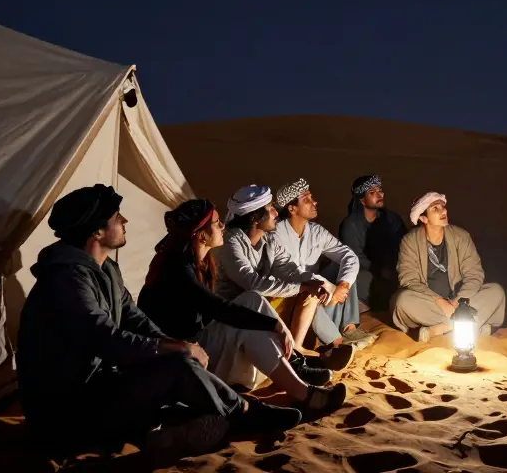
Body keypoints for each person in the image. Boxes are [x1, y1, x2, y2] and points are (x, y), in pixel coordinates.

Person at [16, 184, 299, 458]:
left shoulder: (106, 270)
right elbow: (104, 339)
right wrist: (175, 349)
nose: (125, 220)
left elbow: (134, 318)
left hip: (97, 389)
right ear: (98, 231)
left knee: (176, 362)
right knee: (175, 364)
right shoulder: (66, 279)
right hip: (66, 410)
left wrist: (174, 345)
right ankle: (242, 414)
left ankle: (177, 429)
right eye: (117, 217)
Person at [138, 198, 347, 417]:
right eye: (217, 223)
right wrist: (275, 325)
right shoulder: (180, 269)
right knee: (247, 313)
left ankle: (295, 367)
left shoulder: (199, 261)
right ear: (201, 235)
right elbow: (219, 307)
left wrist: (310, 284)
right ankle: (303, 391)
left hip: (199, 346)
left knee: (252, 300)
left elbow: (284, 269)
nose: (222, 227)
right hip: (185, 360)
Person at [214, 184, 355, 372]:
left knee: (310, 289)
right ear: (255, 217)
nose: (275, 213)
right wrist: (302, 286)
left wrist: (317, 284)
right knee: (262, 296)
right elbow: (252, 284)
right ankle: (301, 358)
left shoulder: (269, 239)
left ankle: (297, 349)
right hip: (238, 311)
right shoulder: (232, 242)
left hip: (265, 306)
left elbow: (290, 269)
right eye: (270, 208)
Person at [390, 192, 506, 342]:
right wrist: (439, 301)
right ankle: (467, 324)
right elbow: (409, 279)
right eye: (435, 209)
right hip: (429, 302)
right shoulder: (409, 241)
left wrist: (457, 302)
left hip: (460, 300)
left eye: (443, 207)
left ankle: (441, 329)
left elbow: (474, 274)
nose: (443, 211)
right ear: (423, 218)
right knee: (402, 301)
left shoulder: (461, 236)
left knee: (496, 292)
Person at [272, 178, 374, 349]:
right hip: (292, 299)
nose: (314, 202)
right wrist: (328, 287)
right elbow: (293, 275)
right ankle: (336, 342)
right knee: (307, 291)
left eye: (312, 197)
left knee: (345, 269)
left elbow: (349, 256)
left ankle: (348, 329)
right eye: (307, 199)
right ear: (292, 208)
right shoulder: (276, 234)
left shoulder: (316, 232)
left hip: (324, 297)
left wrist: (341, 286)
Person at [337, 174, 409, 311]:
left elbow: (404, 245)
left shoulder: (392, 219)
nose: (379, 194)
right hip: (365, 271)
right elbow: (353, 256)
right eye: (372, 192)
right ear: (362, 200)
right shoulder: (351, 224)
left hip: (394, 269)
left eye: (380, 190)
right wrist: (379, 269)